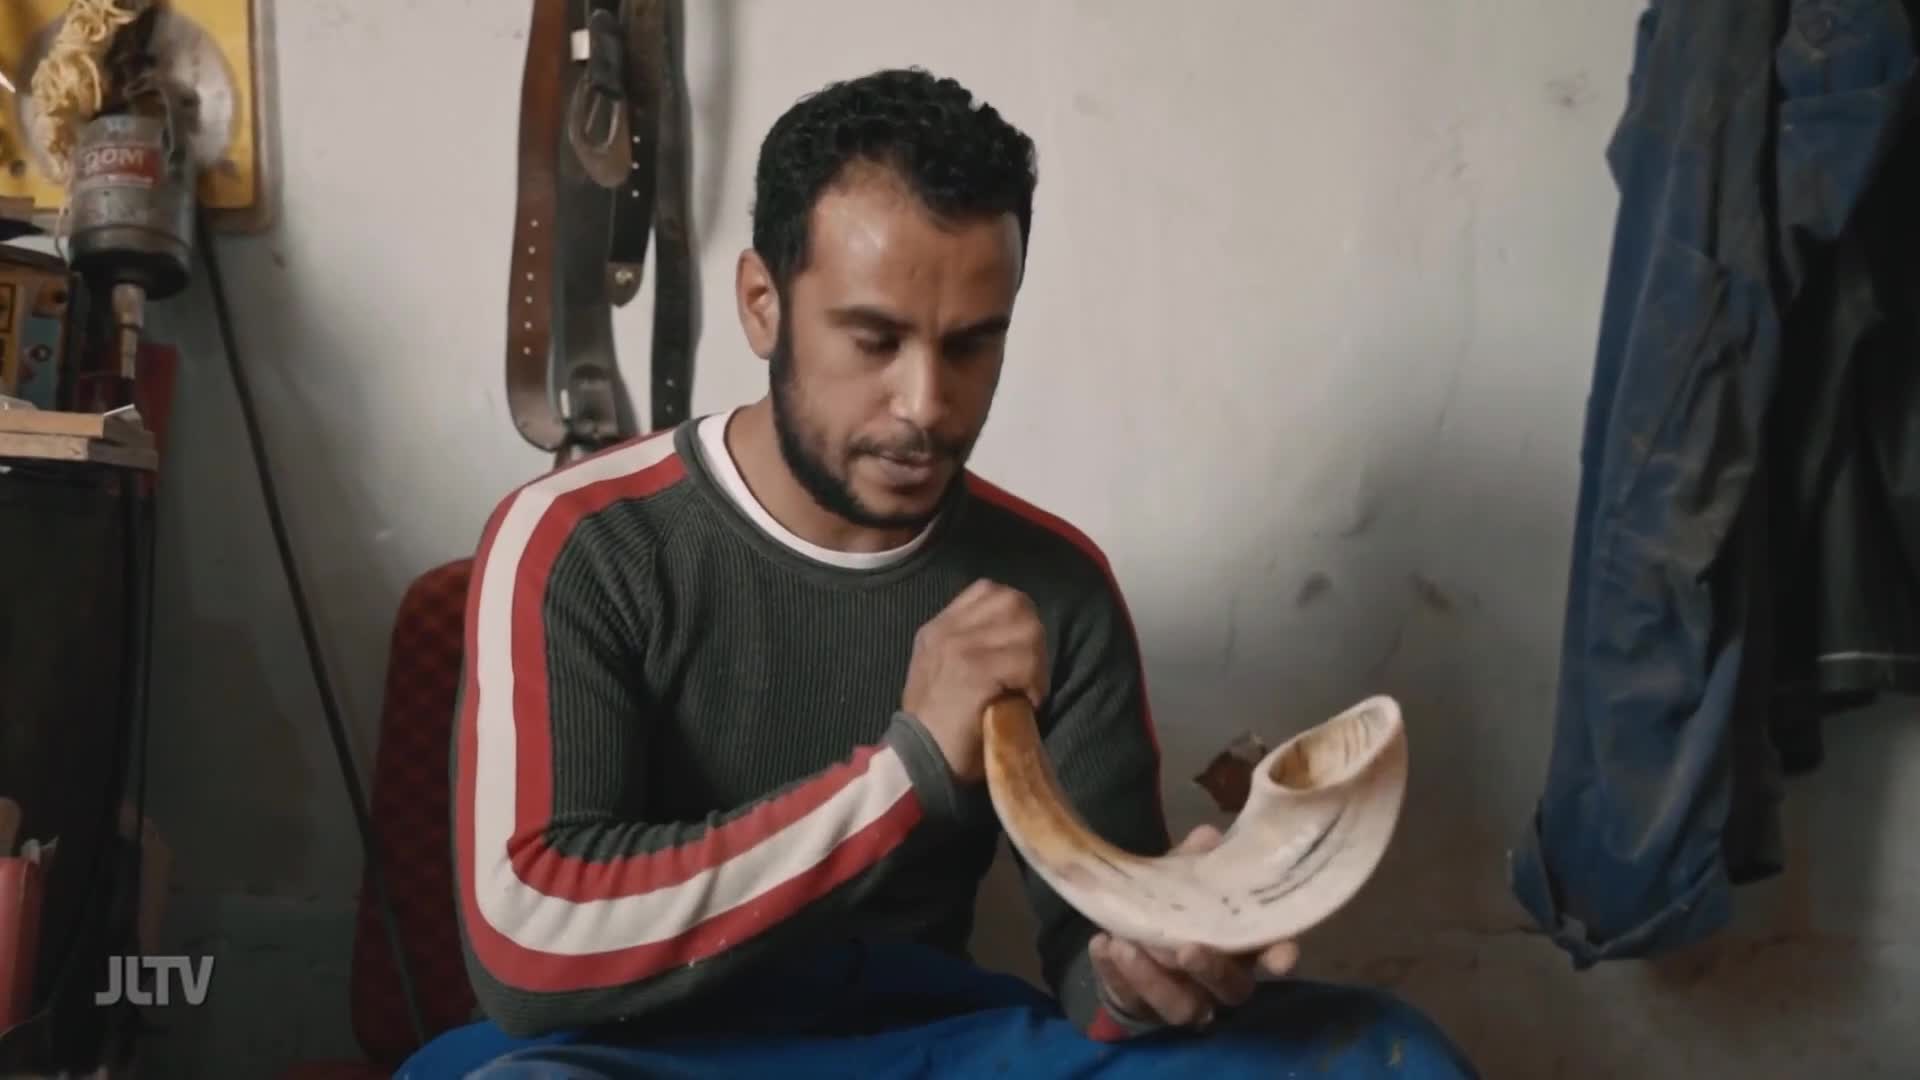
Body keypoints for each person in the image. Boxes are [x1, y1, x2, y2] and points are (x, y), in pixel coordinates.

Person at [408, 66, 1478, 1078]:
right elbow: (531, 953)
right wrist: (907, 768)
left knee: (1383, 1052)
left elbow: (1088, 976)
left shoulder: (1054, 588)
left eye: (971, 345)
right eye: (873, 341)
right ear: (762, 304)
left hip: (927, 1045)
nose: (926, 404)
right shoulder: (579, 542)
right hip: (635, 1052)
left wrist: (1147, 973)